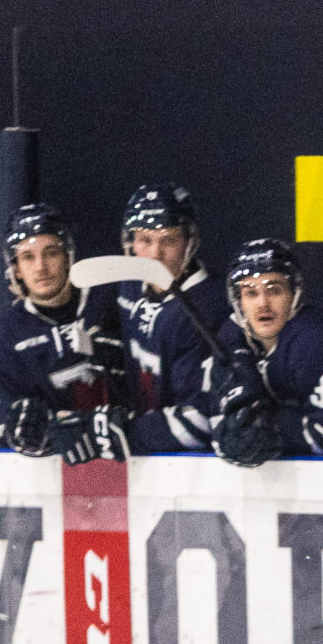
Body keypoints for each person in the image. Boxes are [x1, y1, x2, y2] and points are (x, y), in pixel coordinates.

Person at [0, 202, 129, 463]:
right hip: (55, 476)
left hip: (137, 462)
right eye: (28, 257)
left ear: (69, 256)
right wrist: (35, 436)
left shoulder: (114, 304)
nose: (41, 267)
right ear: (15, 269)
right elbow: (11, 430)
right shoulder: (1, 338)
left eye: (51, 253)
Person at [207, 238, 323, 467]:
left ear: (295, 293)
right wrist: (232, 435)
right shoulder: (231, 339)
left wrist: (268, 427)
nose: (262, 304)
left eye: (274, 290)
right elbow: (219, 421)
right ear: (239, 302)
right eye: (251, 293)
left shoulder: (318, 341)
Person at [106, 184, 224, 455]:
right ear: (131, 242)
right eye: (145, 240)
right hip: (145, 452)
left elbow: (198, 423)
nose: (155, 254)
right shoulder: (131, 285)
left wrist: (120, 432)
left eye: (168, 240)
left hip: (191, 465)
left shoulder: (207, 308)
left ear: (189, 241)